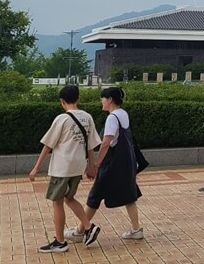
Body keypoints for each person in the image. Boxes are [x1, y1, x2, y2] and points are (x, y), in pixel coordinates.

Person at [29, 85, 102, 253]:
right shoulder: (87, 117)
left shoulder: (61, 119)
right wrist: (91, 166)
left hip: (62, 167)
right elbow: (91, 146)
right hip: (78, 166)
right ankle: (88, 227)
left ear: (62, 101)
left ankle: (60, 241)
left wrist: (35, 168)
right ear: (78, 98)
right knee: (70, 198)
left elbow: (48, 146)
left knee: (57, 202)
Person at [83, 87, 144, 244]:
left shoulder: (112, 118)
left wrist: (96, 163)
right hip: (127, 163)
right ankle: (136, 230)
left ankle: (80, 230)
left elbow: (106, 142)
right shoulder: (123, 114)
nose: (101, 102)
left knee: (95, 196)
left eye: (103, 98)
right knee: (129, 195)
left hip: (112, 165)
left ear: (110, 99)